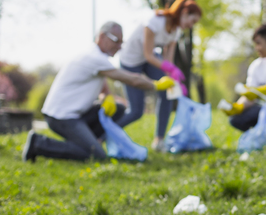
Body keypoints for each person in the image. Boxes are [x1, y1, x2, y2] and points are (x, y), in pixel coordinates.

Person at [22, 21, 175, 162]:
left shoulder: (97, 57)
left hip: (76, 116)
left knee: (119, 109)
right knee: (97, 156)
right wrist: (156, 85)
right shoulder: (94, 57)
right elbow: (131, 79)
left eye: (122, 42)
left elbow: (102, 84)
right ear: (102, 36)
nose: (119, 46)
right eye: (116, 41)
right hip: (61, 117)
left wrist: (106, 96)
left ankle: (88, 142)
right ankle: (38, 143)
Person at [117, 0, 203, 151]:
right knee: (136, 111)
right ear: (184, 13)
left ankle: (159, 141)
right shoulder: (154, 21)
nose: (192, 25)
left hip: (148, 60)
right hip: (131, 61)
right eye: (193, 20)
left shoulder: (176, 31)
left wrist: (174, 80)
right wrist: (170, 68)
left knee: (167, 92)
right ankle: (104, 133)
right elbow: (149, 54)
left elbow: (167, 61)